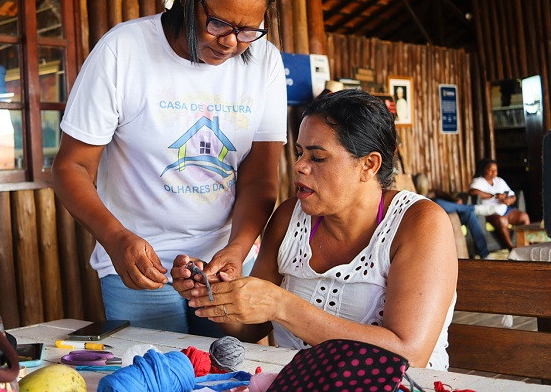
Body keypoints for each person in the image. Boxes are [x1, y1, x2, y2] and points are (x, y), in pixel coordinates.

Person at [52, 0, 287, 335]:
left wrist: (238, 248)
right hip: (141, 266)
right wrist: (115, 238)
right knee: (153, 374)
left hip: (225, 264)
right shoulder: (122, 51)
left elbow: (261, 177)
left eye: (248, 30)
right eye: (218, 24)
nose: (230, 43)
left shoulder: (263, 61)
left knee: (229, 369)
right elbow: (70, 167)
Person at [173, 90, 458, 369]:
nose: (299, 166)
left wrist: (282, 305)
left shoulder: (419, 223)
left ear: (368, 165)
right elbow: (251, 329)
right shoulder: (288, 218)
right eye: (299, 153)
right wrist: (214, 293)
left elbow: (408, 356)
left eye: (317, 157)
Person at [413, 173, 491, 259]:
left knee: (470, 215)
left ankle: (485, 254)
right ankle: (473, 208)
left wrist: (454, 199)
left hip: (452, 220)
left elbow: (439, 192)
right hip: (437, 222)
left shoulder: (430, 193)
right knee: (438, 203)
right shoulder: (415, 197)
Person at [469, 158, 530, 250]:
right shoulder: (478, 181)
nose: (494, 172)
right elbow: (472, 192)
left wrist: (509, 200)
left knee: (524, 216)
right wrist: (493, 195)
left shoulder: (499, 180)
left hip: (505, 210)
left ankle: (526, 244)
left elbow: (512, 195)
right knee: (502, 221)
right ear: (484, 169)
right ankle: (510, 247)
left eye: (495, 170)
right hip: (490, 212)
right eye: (491, 170)